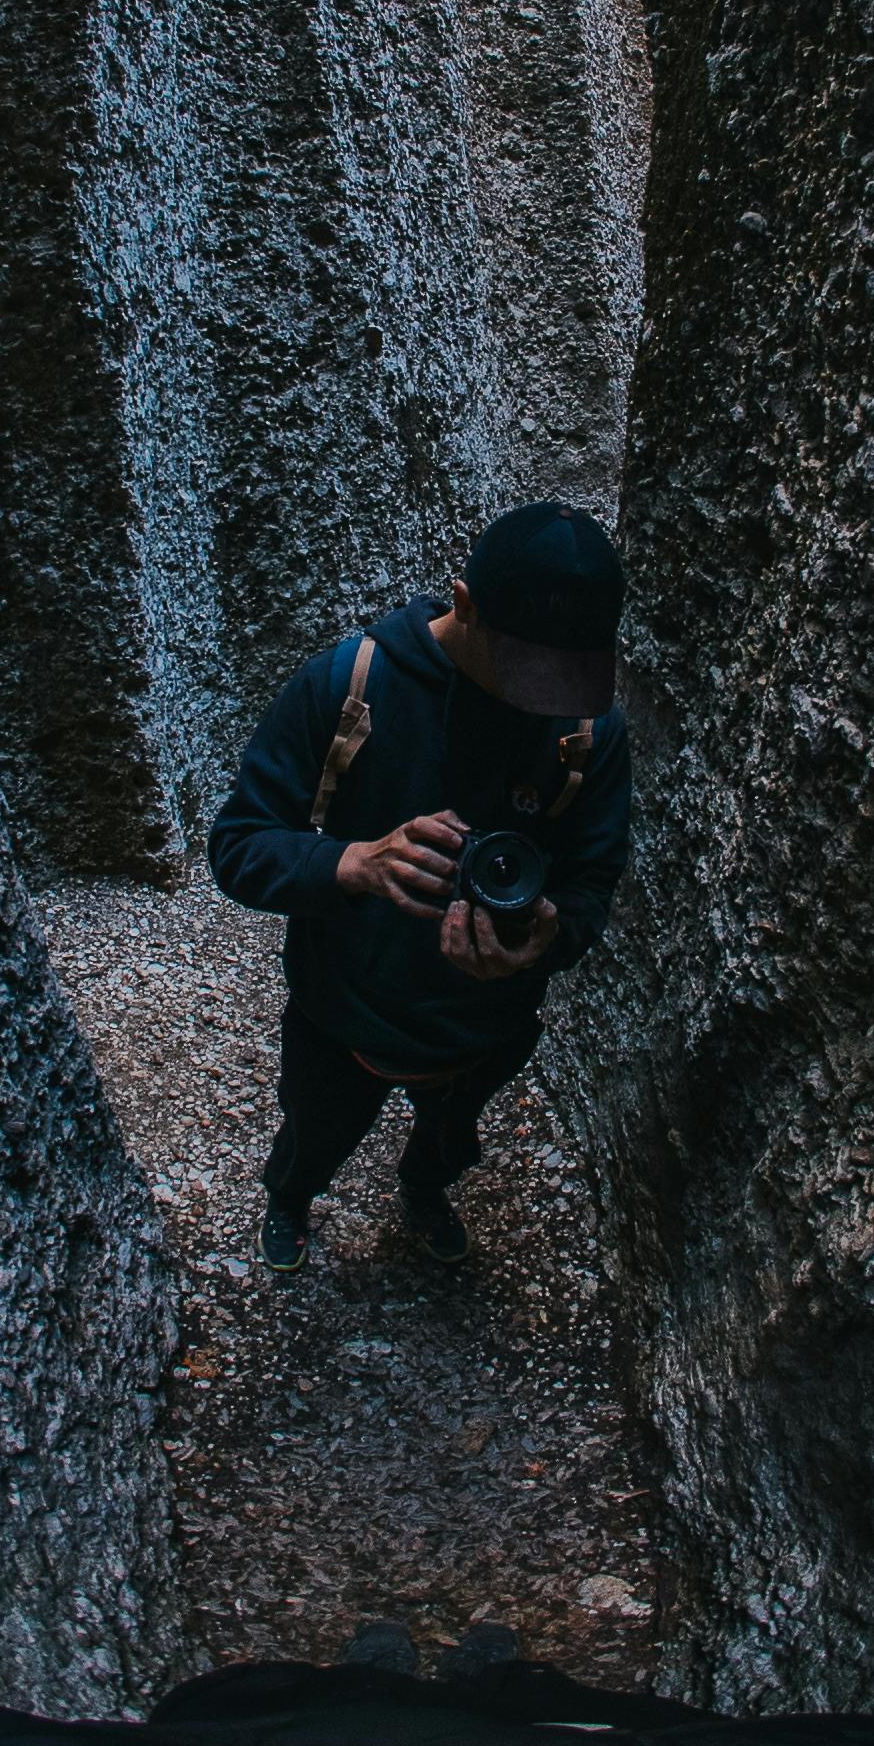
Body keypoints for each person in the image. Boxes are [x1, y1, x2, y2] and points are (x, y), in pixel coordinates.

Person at [206, 503, 636, 1273]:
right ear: (462, 605)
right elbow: (237, 845)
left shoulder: (589, 731)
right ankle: (292, 1199)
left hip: (487, 1026)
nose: (535, 706)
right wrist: (355, 865)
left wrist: (547, 936)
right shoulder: (349, 686)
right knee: (314, 1132)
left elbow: (592, 883)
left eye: (559, 685)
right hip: (341, 1013)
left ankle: (423, 1187)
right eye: (521, 676)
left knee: (449, 1142)